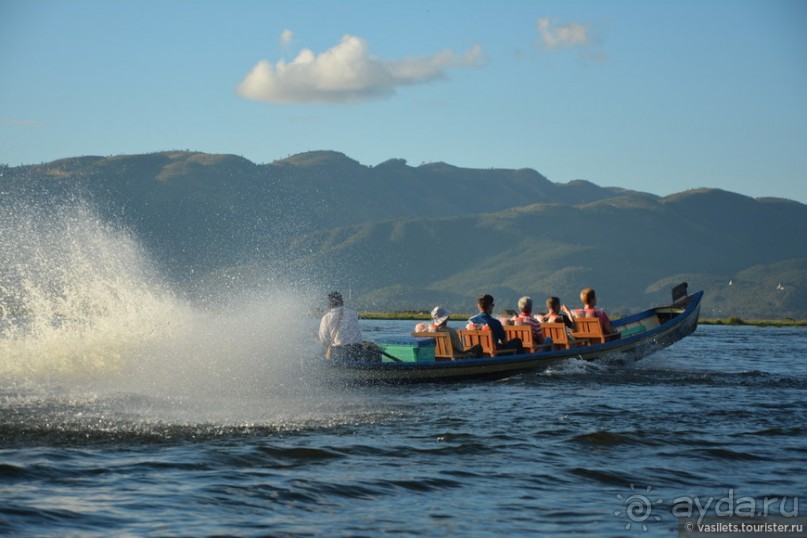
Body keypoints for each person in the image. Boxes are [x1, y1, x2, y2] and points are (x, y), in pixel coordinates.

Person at [318, 291, 367, 360]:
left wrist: (317, 338)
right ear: (342, 302)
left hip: (340, 352)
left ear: (329, 304)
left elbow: (324, 341)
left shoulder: (327, 317)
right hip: (357, 350)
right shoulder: (353, 313)